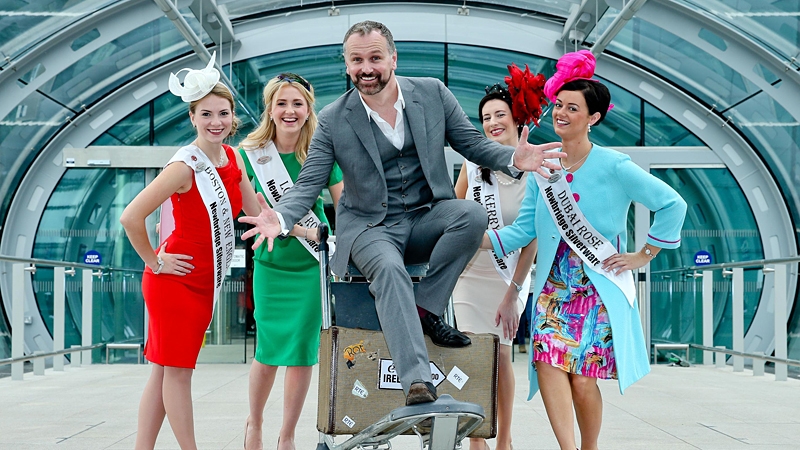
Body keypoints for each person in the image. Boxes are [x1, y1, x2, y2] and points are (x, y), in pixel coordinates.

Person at [239, 20, 565, 406]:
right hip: (369, 228)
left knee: (471, 216)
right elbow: (309, 184)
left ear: (393, 57)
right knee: (390, 269)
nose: (366, 67)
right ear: (346, 65)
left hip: (426, 216)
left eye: (375, 57)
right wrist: (281, 216)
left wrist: (515, 157)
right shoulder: (331, 118)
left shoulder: (432, 94)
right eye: (356, 59)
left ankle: (423, 307)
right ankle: (418, 382)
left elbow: (472, 145)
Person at [482, 50, 687, 450]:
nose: (560, 113)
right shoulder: (544, 164)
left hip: (596, 285)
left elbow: (672, 204)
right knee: (547, 363)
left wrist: (643, 255)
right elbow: (524, 229)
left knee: (583, 377)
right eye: (558, 105)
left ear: (593, 118)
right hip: (553, 288)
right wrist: (472, 237)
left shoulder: (614, 165)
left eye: (572, 108)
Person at [120, 55, 260, 450]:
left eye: (223, 113)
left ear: (234, 118)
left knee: (163, 370)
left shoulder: (233, 159)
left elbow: (255, 212)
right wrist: (154, 260)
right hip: (174, 280)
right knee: (178, 372)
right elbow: (131, 217)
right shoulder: (184, 167)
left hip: (202, 279)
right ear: (192, 118)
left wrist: (295, 222)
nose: (216, 121)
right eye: (206, 114)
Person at [238, 73, 343, 450]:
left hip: (310, 267)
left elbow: (345, 203)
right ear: (270, 108)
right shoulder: (250, 155)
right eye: (282, 103)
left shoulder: (321, 152)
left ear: (308, 109)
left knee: (301, 353)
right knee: (267, 350)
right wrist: (301, 230)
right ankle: (256, 423)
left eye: (297, 103)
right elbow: (255, 214)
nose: (289, 111)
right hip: (272, 263)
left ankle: (287, 435)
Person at [452, 81, 541, 450]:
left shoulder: (536, 168)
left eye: (499, 114)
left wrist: (513, 293)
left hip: (509, 277)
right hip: (469, 274)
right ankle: (477, 439)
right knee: (475, 355)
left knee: (501, 354)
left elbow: (532, 238)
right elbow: (453, 213)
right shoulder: (473, 163)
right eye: (486, 117)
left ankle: (503, 438)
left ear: (517, 119)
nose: (491, 123)